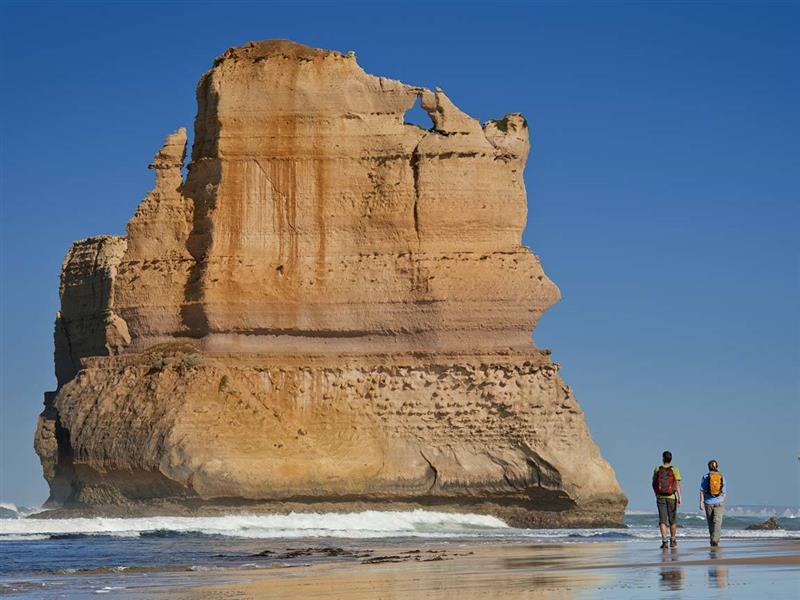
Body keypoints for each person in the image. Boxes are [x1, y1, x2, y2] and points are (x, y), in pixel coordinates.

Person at [653, 450, 682, 548]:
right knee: (672, 520)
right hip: (671, 498)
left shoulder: (657, 469)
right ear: (671, 459)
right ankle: (673, 540)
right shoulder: (675, 469)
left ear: (663, 458)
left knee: (662, 521)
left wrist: (656, 494)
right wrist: (679, 497)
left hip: (660, 497)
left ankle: (664, 541)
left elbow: (653, 483)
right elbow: (677, 484)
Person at [699, 459, 726, 547]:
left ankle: (712, 540)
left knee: (710, 522)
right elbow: (724, 491)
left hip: (708, 502)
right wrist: (723, 500)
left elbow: (702, 490)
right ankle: (715, 540)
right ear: (717, 466)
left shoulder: (705, 477)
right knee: (717, 522)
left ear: (708, 467)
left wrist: (701, 502)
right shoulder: (721, 476)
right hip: (719, 501)